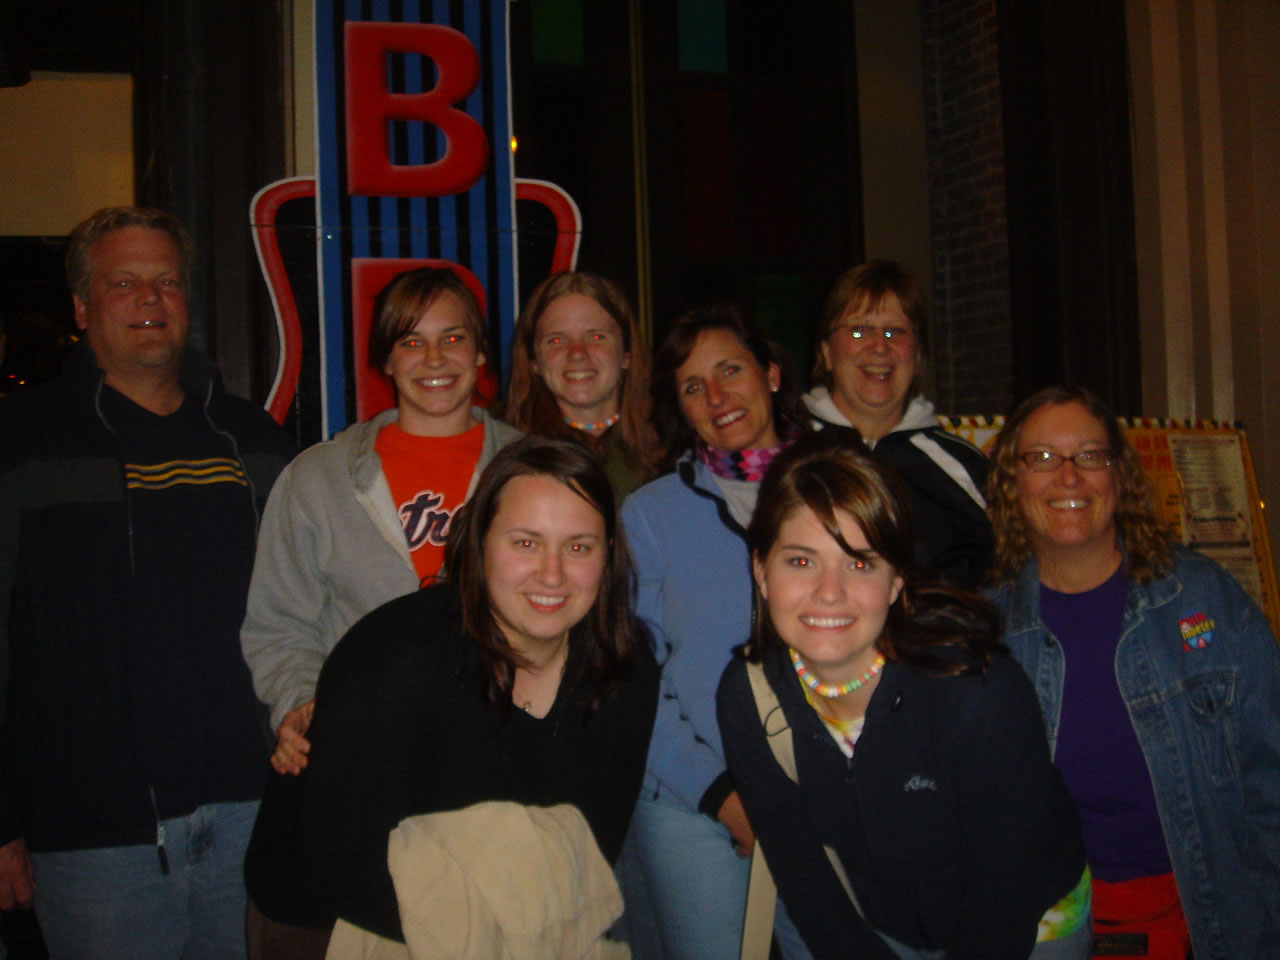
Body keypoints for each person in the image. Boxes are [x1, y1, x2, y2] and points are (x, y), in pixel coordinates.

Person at [0, 206, 295, 959]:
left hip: (253, 815)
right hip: (93, 836)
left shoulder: (255, 442)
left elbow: (306, 610)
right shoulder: (21, 442)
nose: (149, 299)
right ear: (81, 307)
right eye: (123, 282)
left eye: (166, 281)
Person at [250, 436, 658, 944]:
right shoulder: (394, 660)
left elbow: (592, 848)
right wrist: (490, 934)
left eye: (578, 547)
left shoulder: (625, 669)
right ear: (478, 541)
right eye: (525, 543)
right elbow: (336, 865)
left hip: (510, 926)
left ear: (609, 553)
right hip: (331, 922)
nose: (551, 574)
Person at [717, 430, 1089, 960]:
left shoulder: (978, 693)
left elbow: (1004, 901)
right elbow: (803, 873)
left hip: (1031, 924)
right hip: (882, 921)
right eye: (801, 561)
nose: (829, 592)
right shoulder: (749, 696)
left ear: (896, 580)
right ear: (761, 571)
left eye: (860, 562)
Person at [240, 266, 520, 954]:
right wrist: (298, 702)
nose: (434, 358)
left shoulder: (532, 470)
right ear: (385, 360)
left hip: (495, 781)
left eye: (453, 337)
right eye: (411, 341)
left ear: (481, 351)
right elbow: (280, 624)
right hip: (360, 781)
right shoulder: (319, 477)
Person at [983, 386, 1280, 960]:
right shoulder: (984, 631)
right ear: (1011, 484)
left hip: (1207, 924)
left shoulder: (1204, 599)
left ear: (1119, 475)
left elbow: (1271, 780)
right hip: (1046, 933)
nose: (1069, 476)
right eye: (1041, 458)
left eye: (1090, 455)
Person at [618, 303, 812, 960]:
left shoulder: (840, 488)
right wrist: (721, 794)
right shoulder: (650, 515)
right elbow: (632, 677)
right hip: (693, 803)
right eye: (693, 387)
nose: (718, 397)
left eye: (731, 370)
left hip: (827, 794)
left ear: (772, 374)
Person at [804, 260, 991, 586]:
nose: (879, 347)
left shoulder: (965, 468)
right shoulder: (785, 450)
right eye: (859, 330)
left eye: (896, 332)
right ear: (826, 352)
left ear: (917, 356)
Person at [503, 271, 659, 498]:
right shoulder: (504, 450)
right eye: (556, 340)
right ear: (534, 362)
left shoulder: (673, 446)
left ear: (626, 354)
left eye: (596, 337)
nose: (577, 353)